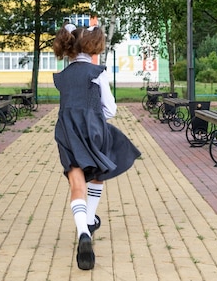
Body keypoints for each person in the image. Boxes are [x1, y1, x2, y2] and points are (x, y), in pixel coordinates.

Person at [52, 23, 141, 271]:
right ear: (89, 46)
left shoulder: (63, 75)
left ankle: (84, 231)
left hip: (67, 133)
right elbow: (110, 109)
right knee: (100, 171)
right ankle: (90, 220)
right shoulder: (97, 72)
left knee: (77, 184)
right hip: (94, 132)